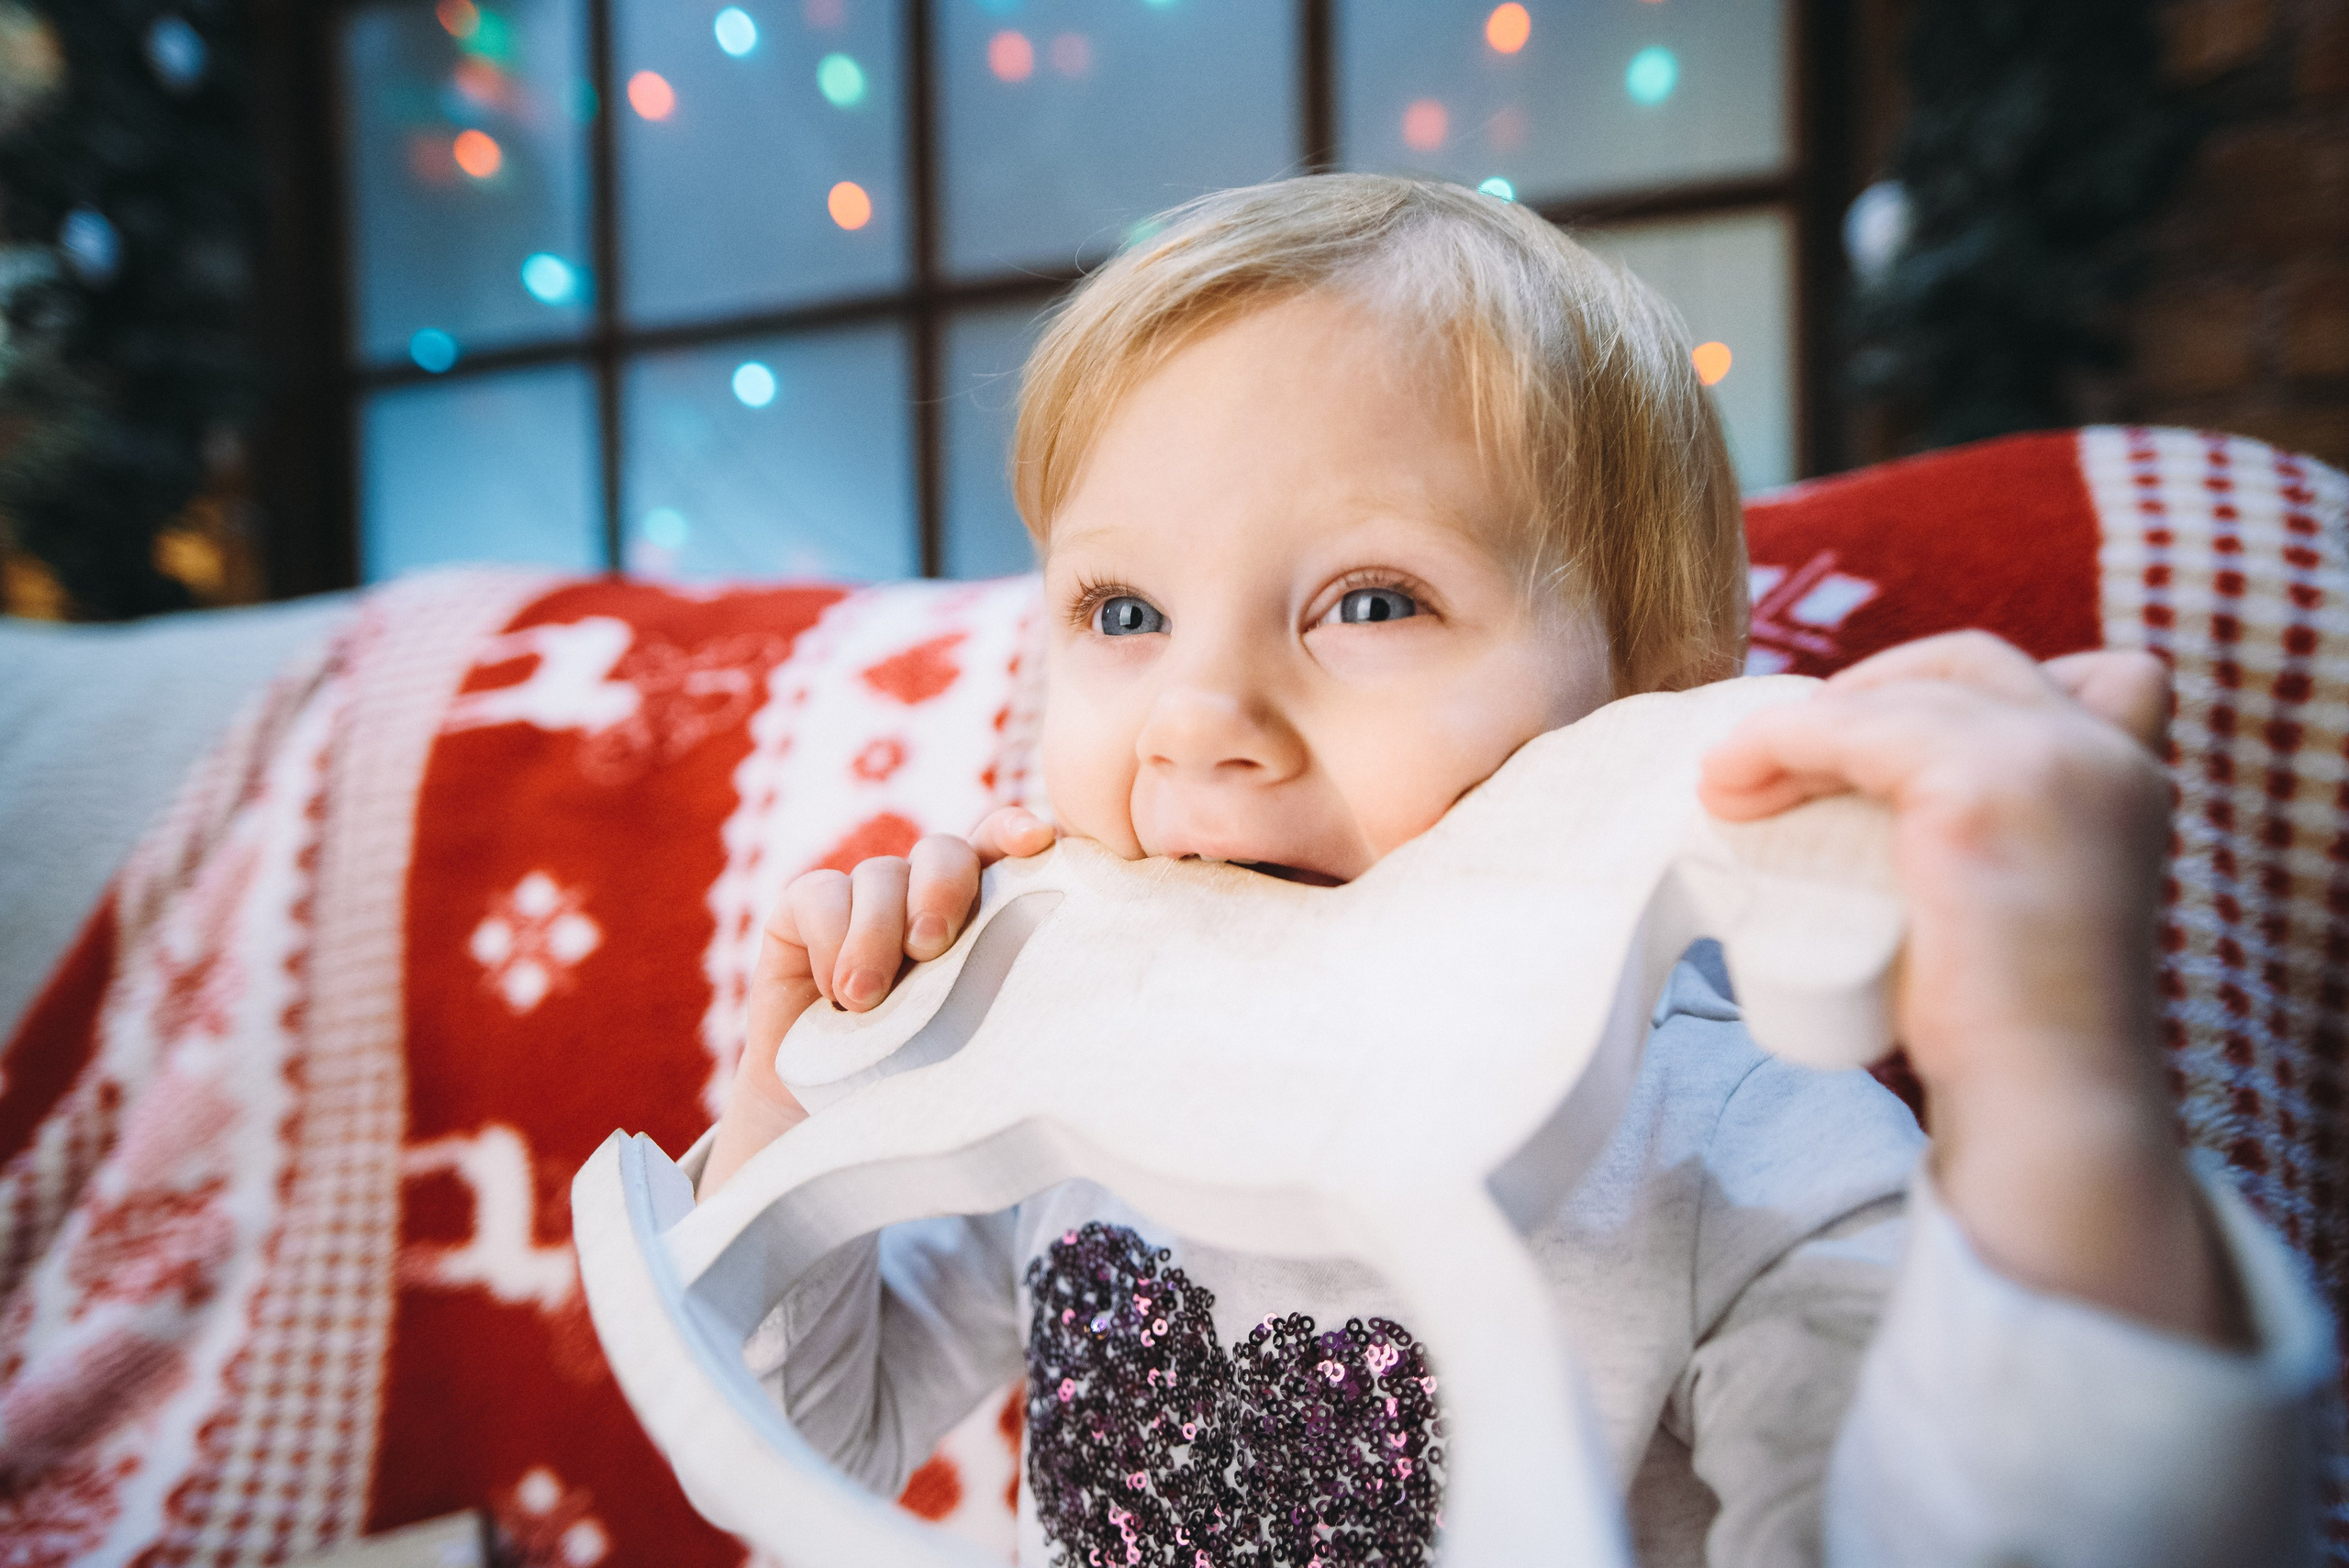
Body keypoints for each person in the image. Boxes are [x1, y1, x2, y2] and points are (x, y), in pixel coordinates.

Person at [698, 174, 2331, 1566]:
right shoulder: (1056, 1057)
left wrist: (2056, 1087)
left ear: (1653, 700)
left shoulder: (1738, 1135)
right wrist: (805, 1125)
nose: (1198, 723)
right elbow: (811, 1425)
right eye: (1121, 614)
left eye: (1369, 601)